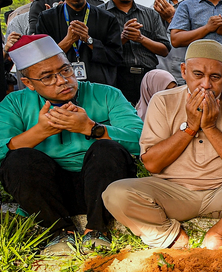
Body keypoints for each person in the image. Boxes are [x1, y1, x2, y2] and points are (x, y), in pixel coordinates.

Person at [103, 40, 222, 250]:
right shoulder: (162, 101)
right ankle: (172, 238)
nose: (205, 84)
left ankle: (217, 232)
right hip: (172, 194)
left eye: (215, 77)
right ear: (183, 71)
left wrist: (210, 128)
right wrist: (189, 127)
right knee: (115, 193)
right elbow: (152, 164)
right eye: (198, 75)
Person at [0, 35, 141, 255]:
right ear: (28, 83)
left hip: (101, 188)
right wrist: (39, 132)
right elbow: (2, 151)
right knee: (18, 159)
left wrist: (93, 129)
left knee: (106, 148)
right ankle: (59, 233)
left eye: (65, 70)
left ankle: (97, 230)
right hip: (50, 194)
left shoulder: (107, 94)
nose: (62, 80)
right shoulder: (14, 103)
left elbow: (141, 141)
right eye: (47, 77)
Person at [36, 0, 123, 87]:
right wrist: (68, 40)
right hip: (61, 87)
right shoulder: (47, 18)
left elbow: (116, 57)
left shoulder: (106, 18)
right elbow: (42, 60)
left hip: (99, 87)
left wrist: (89, 40)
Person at [102, 0, 171, 104]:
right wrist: (122, 38)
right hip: (116, 77)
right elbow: (98, 52)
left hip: (148, 76)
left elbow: (164, 50)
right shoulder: (99, 14)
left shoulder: (151, 14)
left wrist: (140, 38)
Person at [153, 0, 195, 84]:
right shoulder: (155, 7)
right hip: (159, 72)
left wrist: (172, 18)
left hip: (186, 73)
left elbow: (201, 35)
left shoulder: (196, 5)